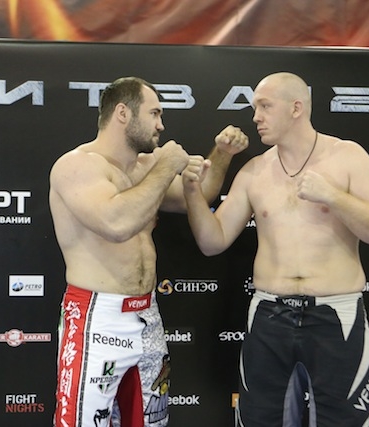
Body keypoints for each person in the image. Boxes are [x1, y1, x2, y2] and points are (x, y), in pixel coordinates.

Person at [183, 72, 369, 426]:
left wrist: (333, 196)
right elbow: (213, 241)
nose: (256, 117)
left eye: (265, 106)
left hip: (336, 315)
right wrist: (193, 193)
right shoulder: (254, 171)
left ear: (296, 108)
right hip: (270, 315)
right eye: (255, 108)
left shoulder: (347, 157)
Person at [49, 76, 248, 427]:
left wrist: (222, 155)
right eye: (154, 113)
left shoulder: (144, 168)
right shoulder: (77, 165)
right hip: (97, 316)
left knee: (150, 422)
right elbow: (116, 223)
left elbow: (199, 196)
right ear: (122, 113)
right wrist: (166, 166)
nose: (161, 125)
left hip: (147, 314)